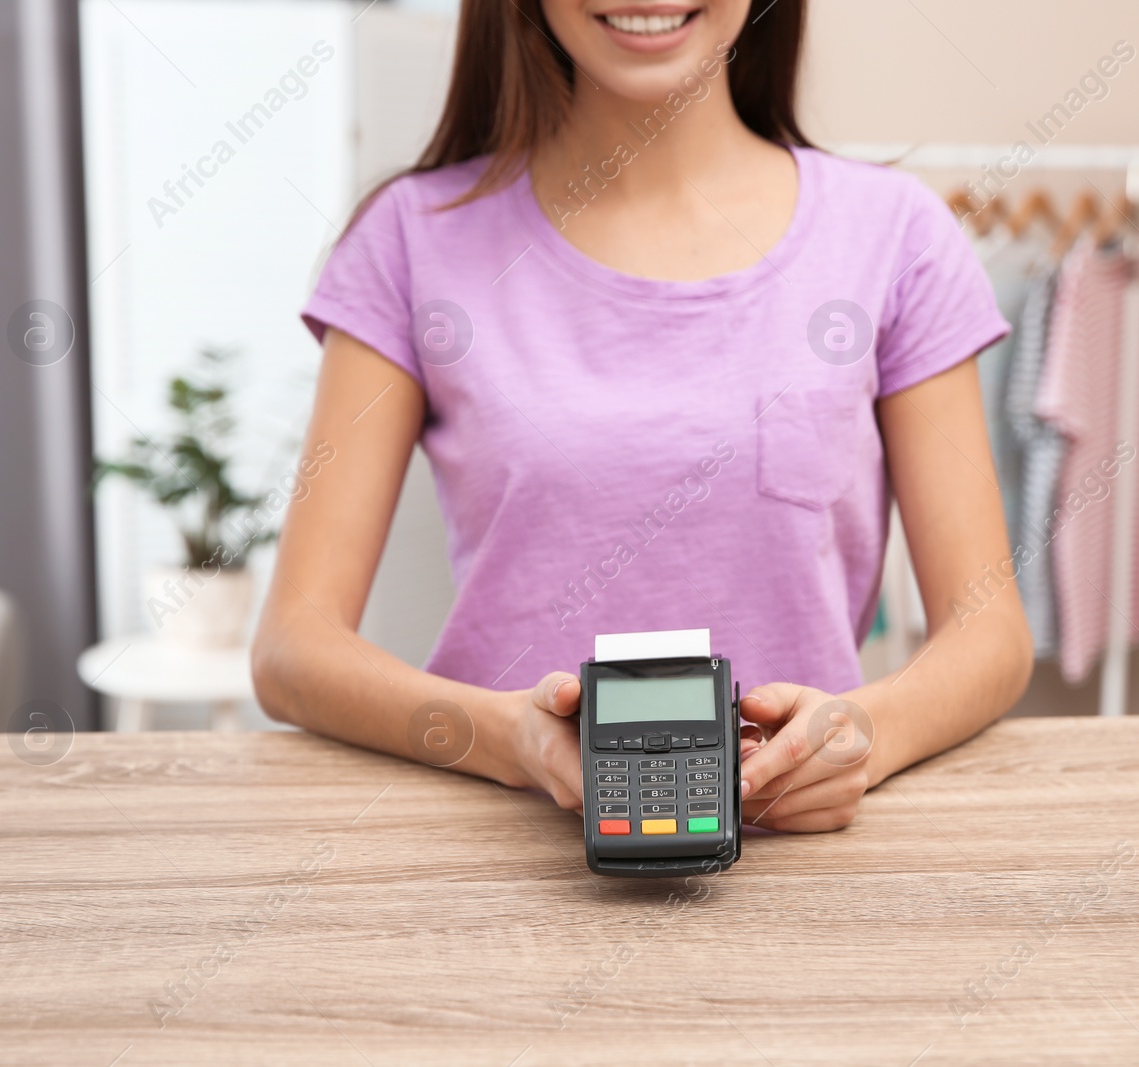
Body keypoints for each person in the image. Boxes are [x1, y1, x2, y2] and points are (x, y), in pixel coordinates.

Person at [252, 0, 1032, 832]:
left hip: (795, 861)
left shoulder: (897, 236)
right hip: (492, 851)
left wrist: (867, 734)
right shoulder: (408, 239)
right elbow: (294, 648)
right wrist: (511, 740)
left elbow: (988, 631)